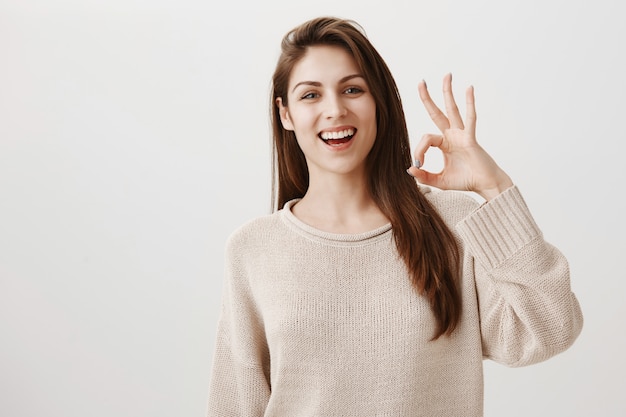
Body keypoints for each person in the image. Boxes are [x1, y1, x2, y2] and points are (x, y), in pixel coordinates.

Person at [206, 16, 583, 416]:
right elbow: (235, 404)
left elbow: (552, 327)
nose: (335, 110)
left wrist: (494, 188)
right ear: (285, 114)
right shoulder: (253, 248)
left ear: (378, 101)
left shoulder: (451, 225)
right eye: (310, 95)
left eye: (352, 89)